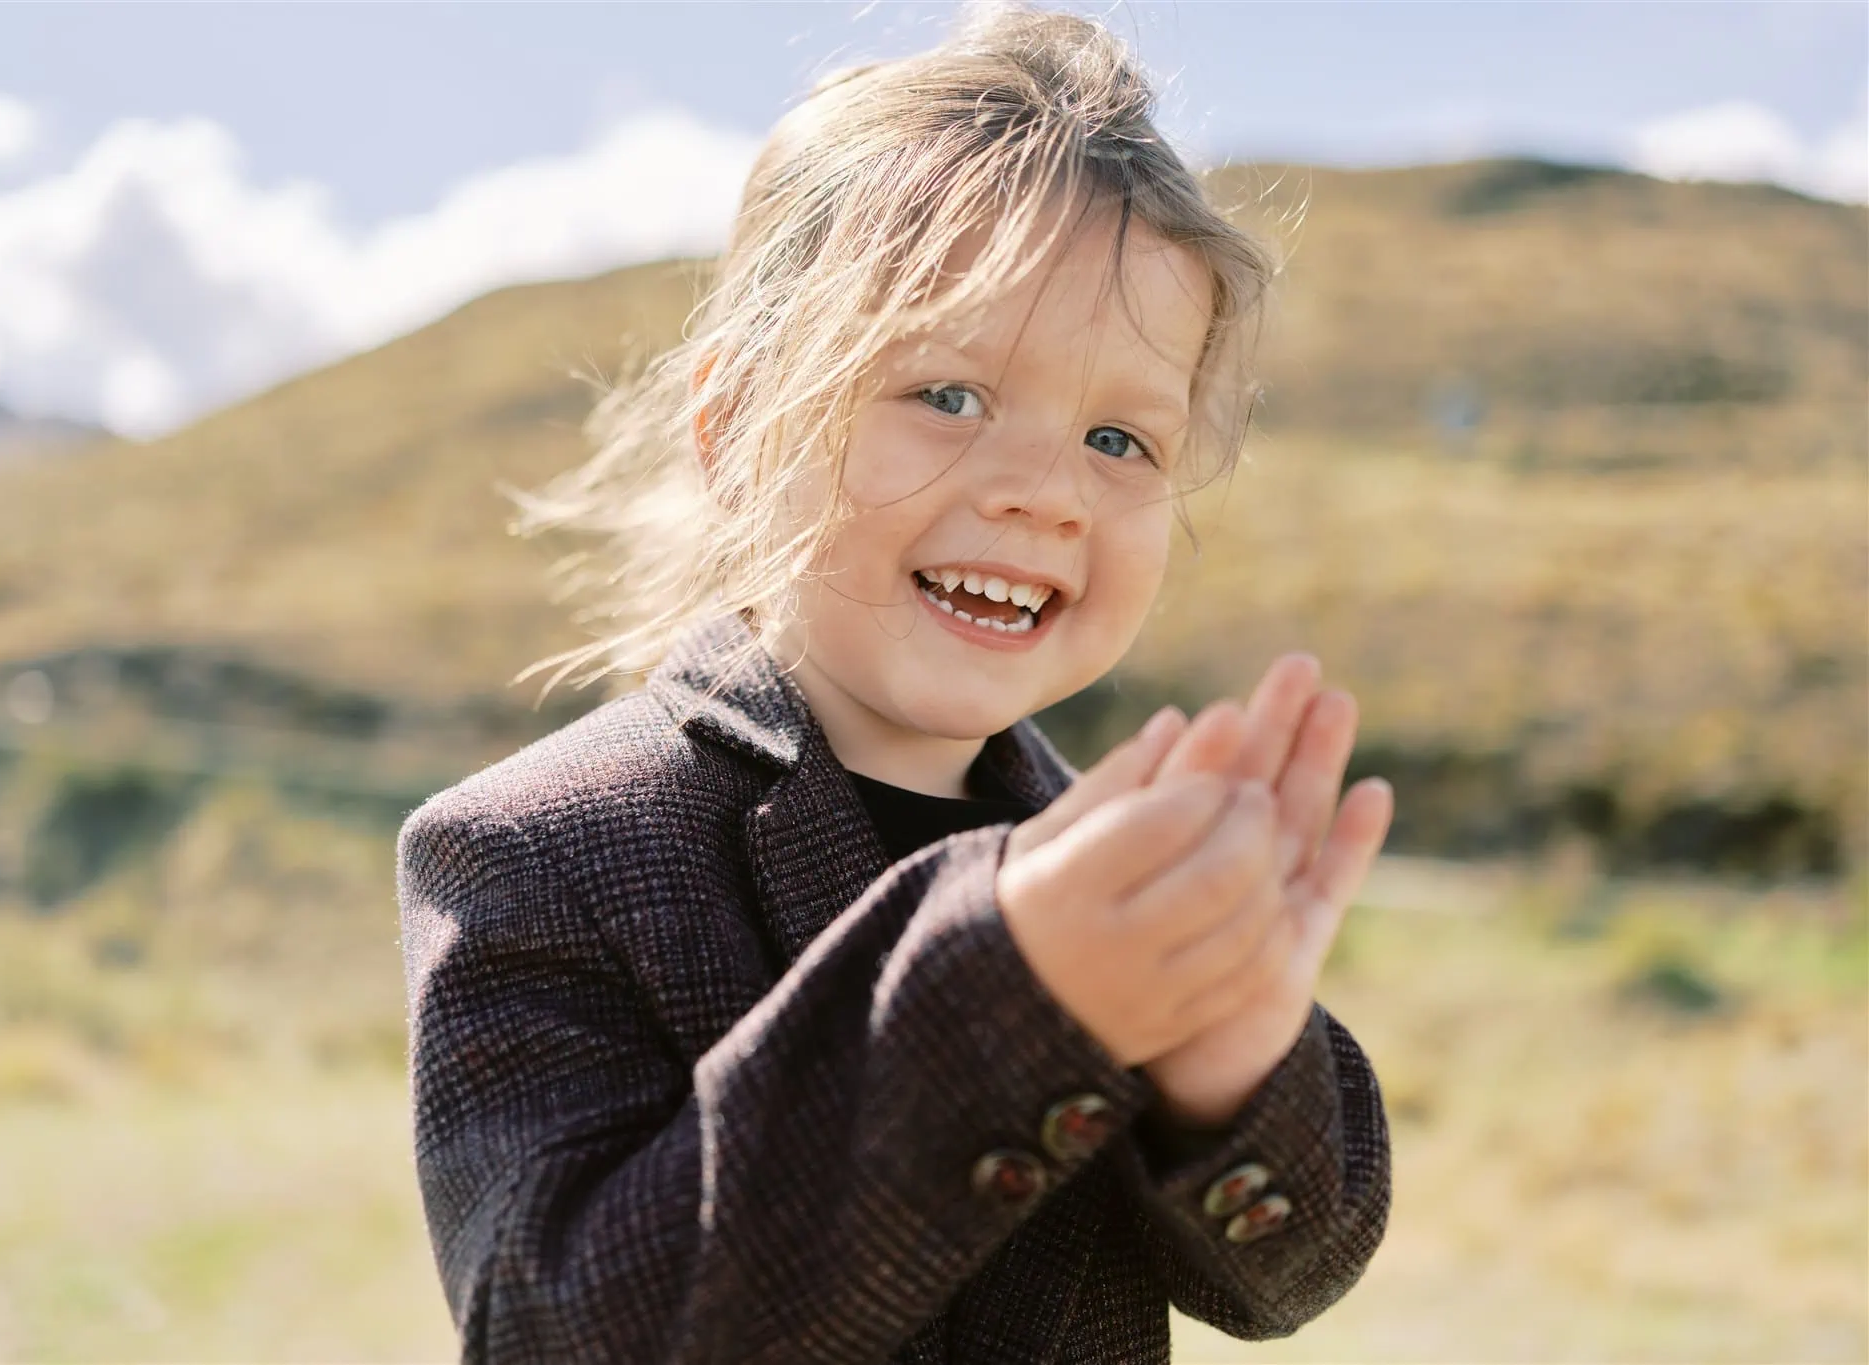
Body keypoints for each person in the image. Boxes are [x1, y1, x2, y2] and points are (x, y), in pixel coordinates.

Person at [395, 6, 1396, 1361]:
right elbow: (551, 1333)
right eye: (951, 394)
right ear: (740, 425)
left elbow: (1281, 1281)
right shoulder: (539, 857)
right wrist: (1007, 1002)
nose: (1045, 493)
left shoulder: (1100, 854)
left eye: (1118, 437)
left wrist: (1229, 1080)